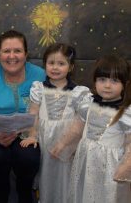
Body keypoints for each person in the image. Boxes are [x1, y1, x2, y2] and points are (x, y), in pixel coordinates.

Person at [51, 55, 131, 203]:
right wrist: (63, 144)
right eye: (102, 79)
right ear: (95, 81)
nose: (107, 85)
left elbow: (129, 144)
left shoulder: (126, 112)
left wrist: (126, 166)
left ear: (124, 84)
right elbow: (76, 129)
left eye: (114, 81)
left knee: (107, 194)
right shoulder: (88, 103)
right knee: (84, 190)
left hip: (110, 166)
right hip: (86, 160)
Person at [0, 30, 46, 203]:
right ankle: (0, 194)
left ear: (26, 54)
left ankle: (25, 194)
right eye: (6, 51)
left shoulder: (40, 75)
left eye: (17, 50)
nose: (12, 56)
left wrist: (33, 134)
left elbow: (45, 110)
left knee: (28, 157)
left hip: (28, 133)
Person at [19, 43, 90, 203]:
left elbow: (81, 121)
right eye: (51, 63)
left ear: (71, 67)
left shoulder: (78, 92)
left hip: (67, 139)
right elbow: (33, 113)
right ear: (45, 65)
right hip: (44, 138)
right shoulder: (38, 88)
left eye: (61, 63)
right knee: (46, 174)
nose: (55, 67)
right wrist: (32, 136)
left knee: (66, 175)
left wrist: (68, 143)